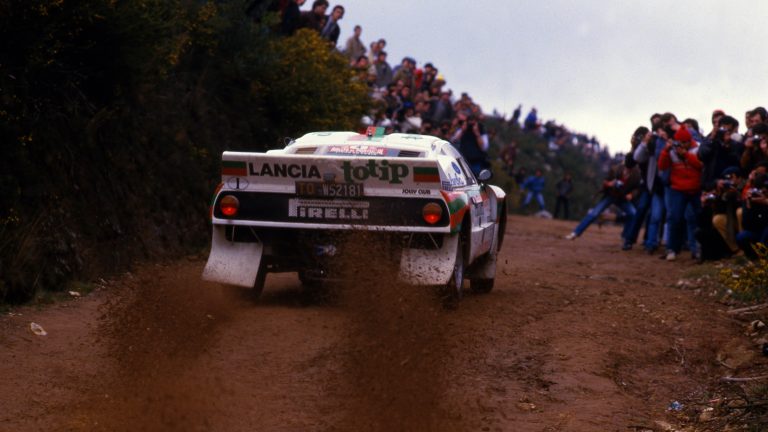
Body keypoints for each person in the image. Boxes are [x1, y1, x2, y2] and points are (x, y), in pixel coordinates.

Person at [565, 156, 639, 248]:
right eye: (627, 168)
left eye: (630, 169)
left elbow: (637, 188)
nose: (628, 170)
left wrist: (631, 194)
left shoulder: (636, 174)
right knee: (594, 213)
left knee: (633, 213)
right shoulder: (615, 169)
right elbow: (605, 182)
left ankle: (626, 238)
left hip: (622, 198)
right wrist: (609, 184)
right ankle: (575, 233)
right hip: (610, 195)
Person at [658, 125, 703, 261]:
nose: (682, 145)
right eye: (679, 142)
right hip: (678, 189)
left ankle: (697, 249)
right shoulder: (672, 151)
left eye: (684, 142)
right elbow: (662, 166)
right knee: (675, 219)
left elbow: (701, 165)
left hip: (695, 189)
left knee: (696, 219)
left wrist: (686, 155)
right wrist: (666, 151)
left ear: (689, 141)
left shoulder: (697, 148)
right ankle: (672, 249)